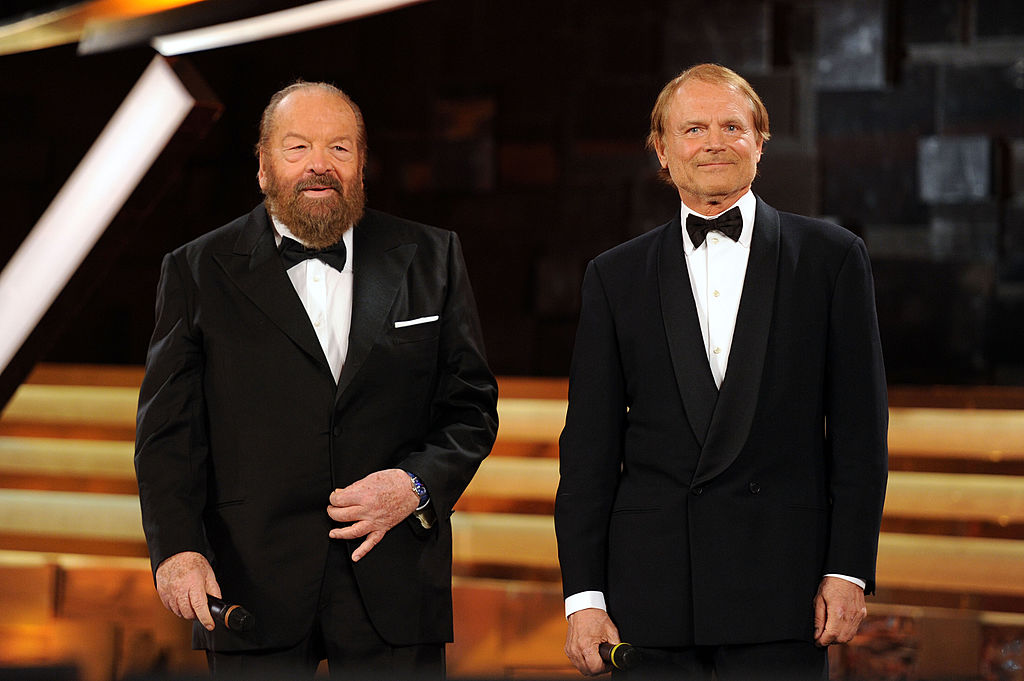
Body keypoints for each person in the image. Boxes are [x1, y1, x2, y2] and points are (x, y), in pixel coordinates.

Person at [135, 80, 498, 680]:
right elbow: (168, 434)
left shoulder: (433, 256)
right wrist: (176, 548)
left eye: (339, 148)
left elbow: (472, 407)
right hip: (248, 581)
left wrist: (414, 485)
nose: (319, 165)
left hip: (394, 575)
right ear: (263, 166)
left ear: (362, 164)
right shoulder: (195, 270)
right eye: (298, 147)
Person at [554, 64, 888, 680]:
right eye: (694, 129)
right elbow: (588, 452)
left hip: (785, 591)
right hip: (649, 598)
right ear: (662, 150)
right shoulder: (614, 276)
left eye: (732, 126)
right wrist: (584, 596)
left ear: (760, 141)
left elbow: (859, 434)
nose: (715, 142)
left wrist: (848, 569)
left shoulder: (832, 259)